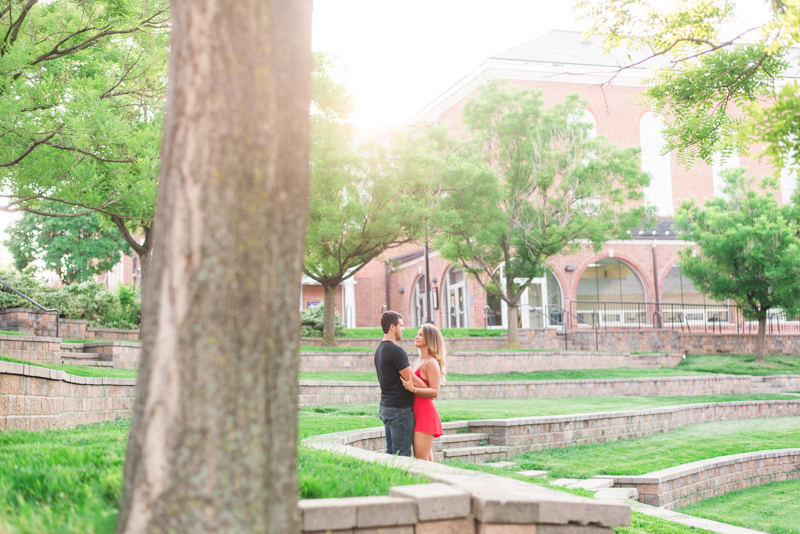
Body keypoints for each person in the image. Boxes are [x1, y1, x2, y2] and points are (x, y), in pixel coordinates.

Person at [400, 323, 445, 461]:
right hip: (417, 413)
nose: (416, 336)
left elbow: (435, 392)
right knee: (426, 462)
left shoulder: (431, 362)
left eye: (420, 335)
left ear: (429, 339)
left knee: (420, 460)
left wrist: (413, 389)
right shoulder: (419, 361)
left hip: (425, 415)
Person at [374, 311, 415, 457]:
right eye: (401, 325)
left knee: (391, 454)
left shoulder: (379, 350)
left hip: (386, 407)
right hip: (400, 410)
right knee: (402, 455)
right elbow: (412, 380)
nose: (403, 329)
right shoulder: (396, 351)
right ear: (392, 327)